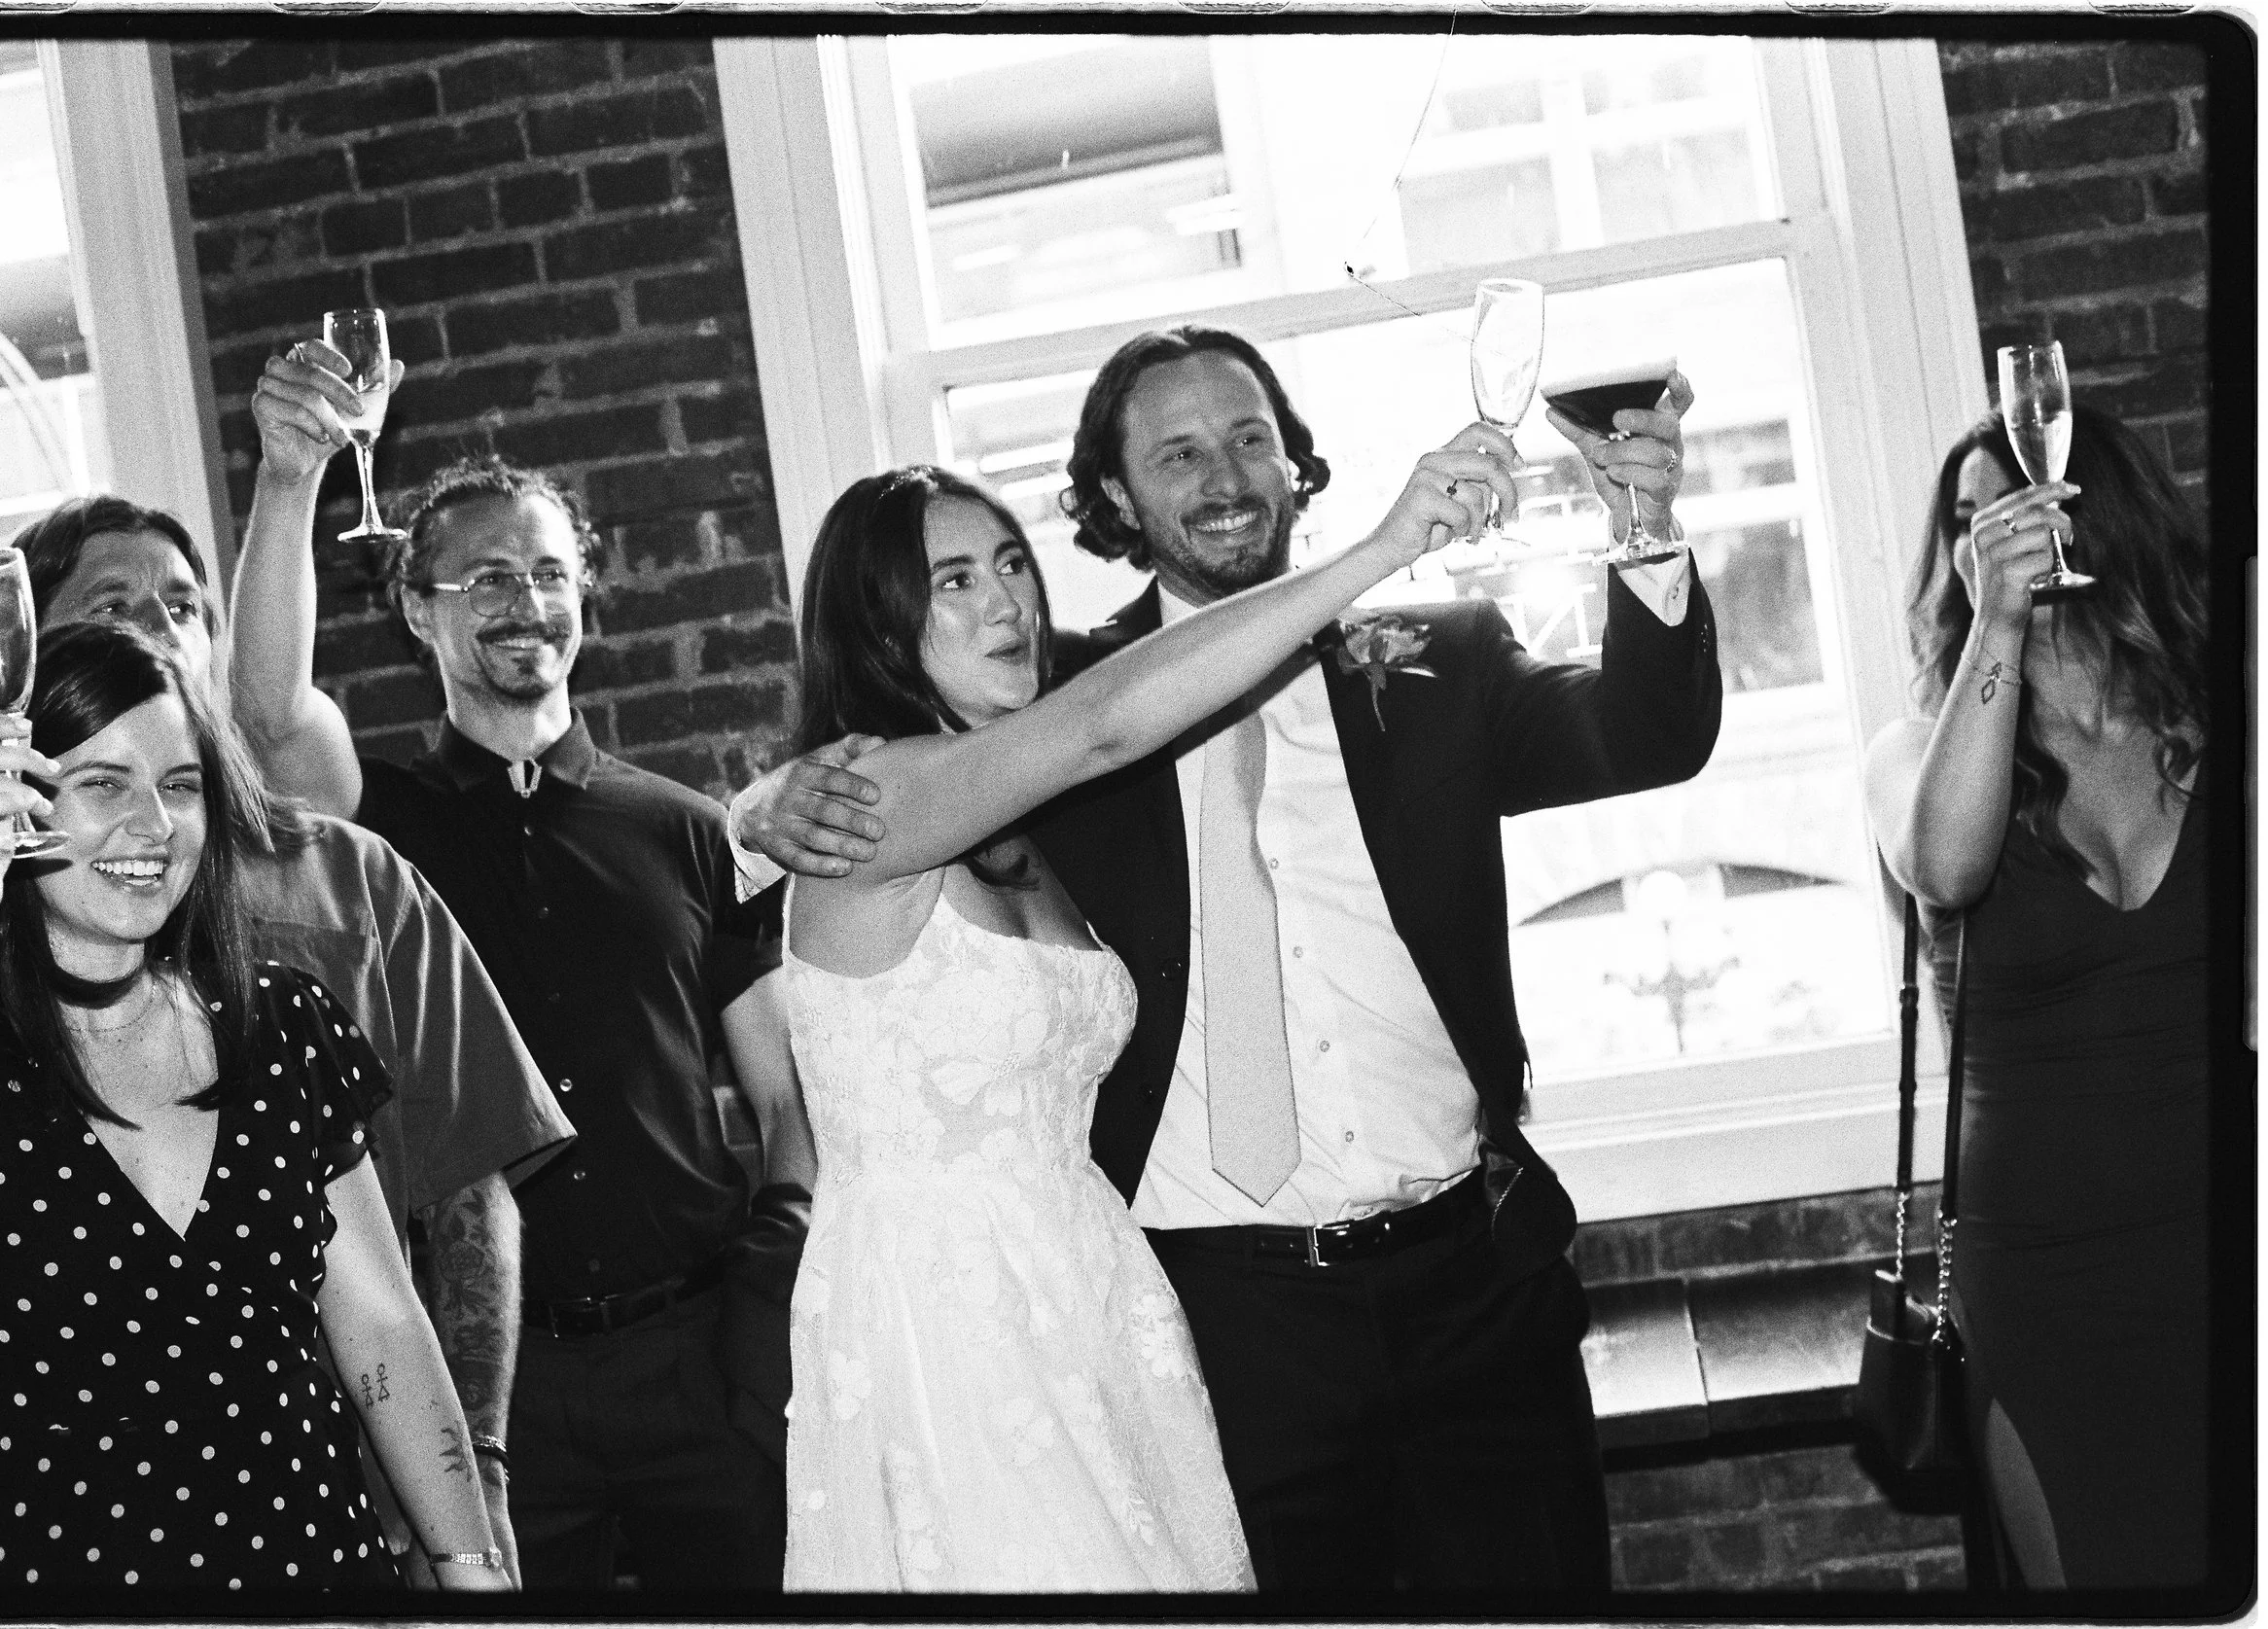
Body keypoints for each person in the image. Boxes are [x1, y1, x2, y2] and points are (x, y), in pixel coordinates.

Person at [736, 323, 1720, 1591]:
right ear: (1114, 497)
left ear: (1296, 463)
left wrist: (1642, 519)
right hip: (1221, 1321)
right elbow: (906, 763)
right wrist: (763, 803)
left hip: (1469, 1290)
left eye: (1251, 437)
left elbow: (1647, 734)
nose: (1224, 474)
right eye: (1179, 450)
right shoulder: (1049, 696)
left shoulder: (1440, 660)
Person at [783, 442, 1512, 1588]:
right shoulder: (868, 798)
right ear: (875, 626)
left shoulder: (1027, 817)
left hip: (1092, 1286)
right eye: (953, 580)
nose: (1006, 601)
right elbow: (1107, 719)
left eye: (1011, 562)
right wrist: (1381, 548)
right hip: (948, 1320)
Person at [0, 494, 573, 1588]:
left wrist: (470, 1567)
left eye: (178, 787)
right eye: (101, 784)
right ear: (20, 794)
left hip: (318, 1573)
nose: (151, 828)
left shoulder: (283, 1024)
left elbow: (386, 1329)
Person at [230, 344, 815, 1592]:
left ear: (586, 600)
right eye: (485, 577)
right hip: (489, 1378)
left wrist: (767, 1293)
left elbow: (781, 1102)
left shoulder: (685, 827)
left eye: (550, 575)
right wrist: (293, 480)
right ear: (416, 608)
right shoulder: (368, 816)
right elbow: (270, 717)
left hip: (695, 1353)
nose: (525, 604)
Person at [1861, 407, 2210, 1589]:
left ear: (2091, 514)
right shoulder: (1916, 753)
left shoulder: (2213, 717)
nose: (1986, 541)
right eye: (1964, 523)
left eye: (2014, 508)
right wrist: (1999, 625)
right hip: (2052, 1288)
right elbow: (1948, 869)